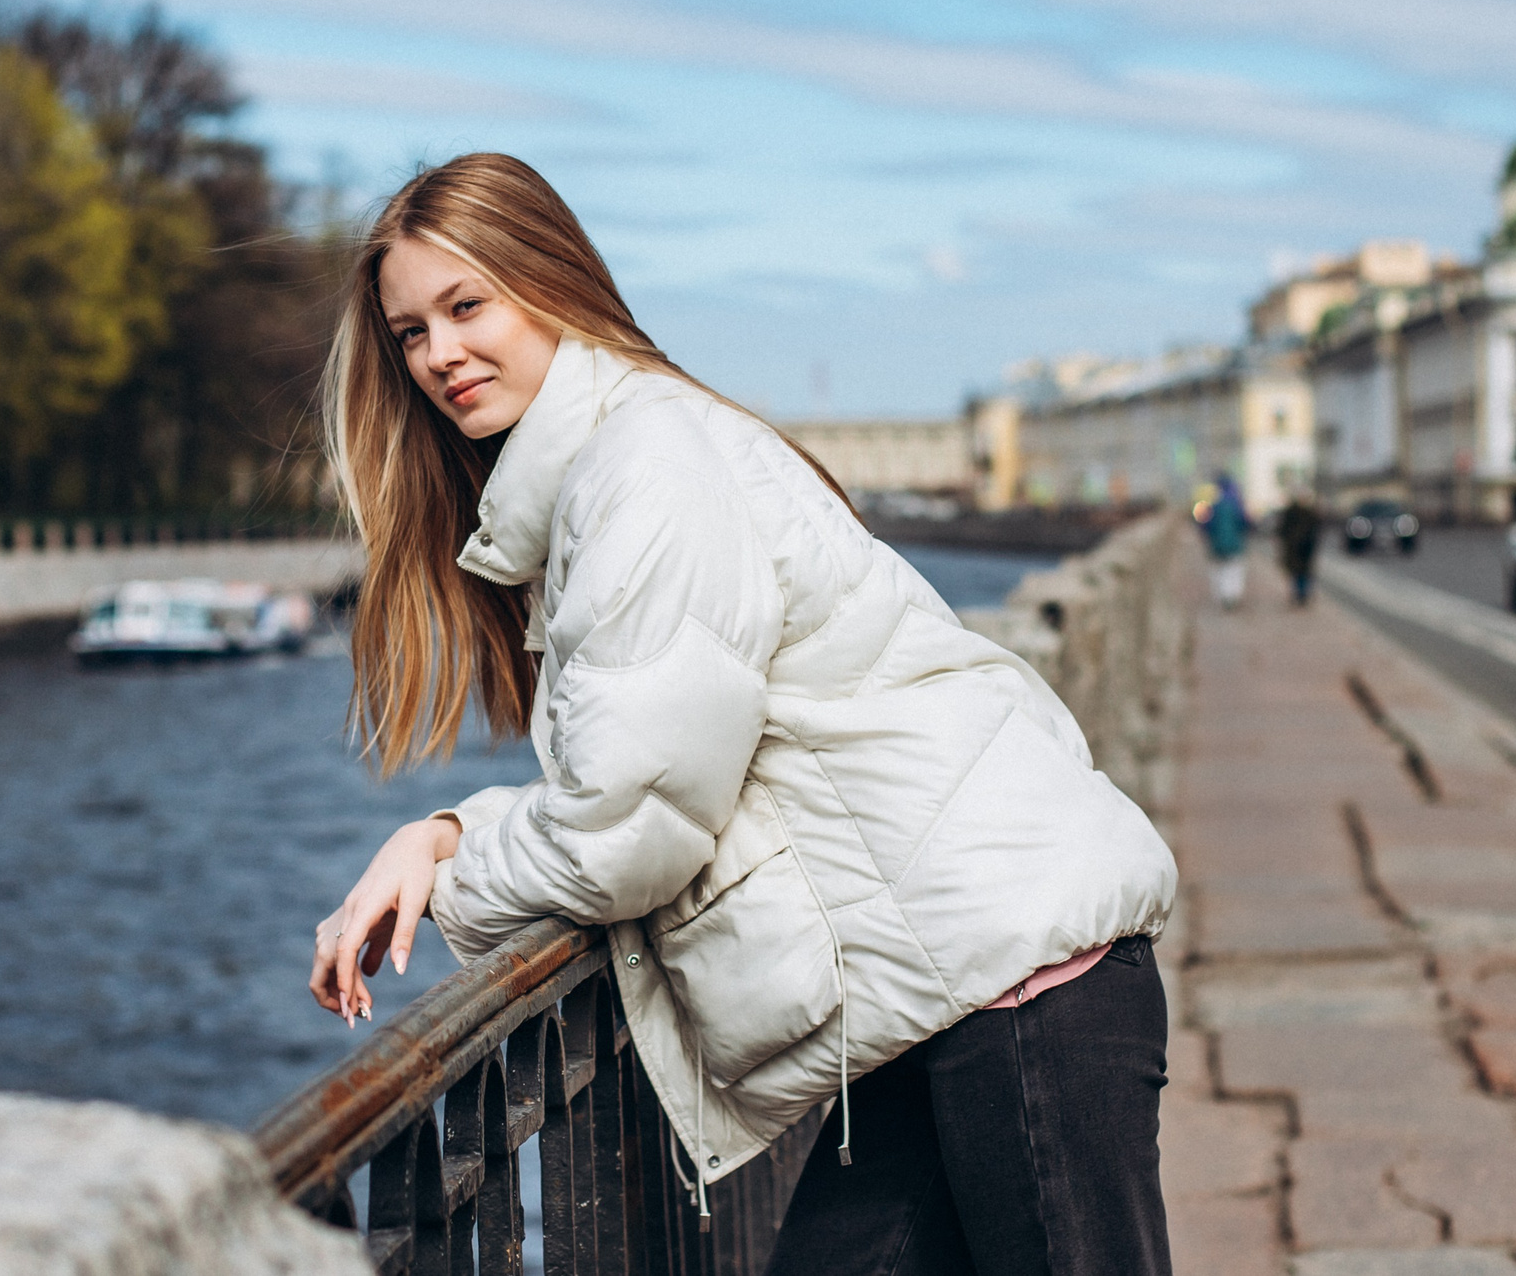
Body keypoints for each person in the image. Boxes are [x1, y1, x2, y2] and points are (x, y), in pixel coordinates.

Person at [309, 154, 1179, 1276]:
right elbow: (651, 771)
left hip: (1017, 987)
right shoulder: (606, 471)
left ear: (552, 279)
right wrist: (448, 832)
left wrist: (451, 857)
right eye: (408, 333)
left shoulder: (645, 469)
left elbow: (627, 830)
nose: (438, 356)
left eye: (465, 306)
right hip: (944, 993)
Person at [1198, 474, 1250, 610]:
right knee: (1234, 570)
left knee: (1221, 571)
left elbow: (1206, 525)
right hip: (1235, 544)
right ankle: (1232, 596)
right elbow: (1244, 523)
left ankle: (1225, 596)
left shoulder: (1214, 506)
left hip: (1217, 545)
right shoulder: (1236, 505)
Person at [1277, 489, 1321, 606]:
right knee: (1299, 573)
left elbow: (1282, 530)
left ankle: (1301, 595)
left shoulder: (1298, 513)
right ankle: (1300, 595)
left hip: (1302, 549)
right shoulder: (1306, 513)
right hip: (1299, 549)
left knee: (1299, 573)